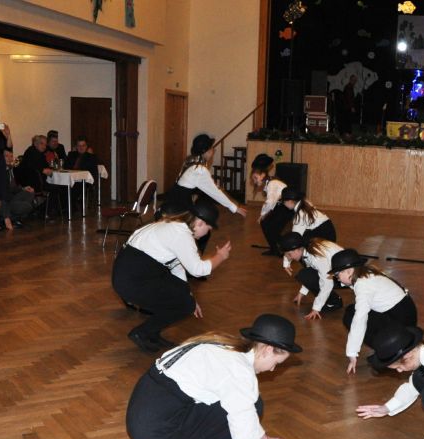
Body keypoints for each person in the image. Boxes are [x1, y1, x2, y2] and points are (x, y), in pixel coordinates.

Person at [126, 313, 314, 439]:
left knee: (250, 403)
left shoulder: (222, 345)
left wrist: (259, 433)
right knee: (251, 407)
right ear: (267, 350)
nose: (273, 369)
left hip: (144, 420)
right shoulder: (238, 372)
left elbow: (236, 401)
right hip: (157, 436)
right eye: (277, 363)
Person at [112, 199, 232, 352]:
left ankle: (152, 333)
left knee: (184, 299)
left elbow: (177, 266)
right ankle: (141, 333)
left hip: (132, 273)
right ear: (200, 222)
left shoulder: (174, 226)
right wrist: (220, 257)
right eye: (208, 228)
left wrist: (188, 294)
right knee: (184, 305)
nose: (207, 233)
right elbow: (198, 270)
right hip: (132, 280)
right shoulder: (181, 235)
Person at [329, 248, 417, 375]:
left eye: (337, 275)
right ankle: (389, 347)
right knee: (351, 311)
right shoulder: (367, 273)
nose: (337, 278)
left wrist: (352, 352)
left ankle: (390, 352)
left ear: (349, 271)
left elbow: (360, 319)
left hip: (401, 320)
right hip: (404, 312)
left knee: (351, 317)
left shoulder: (363, 285)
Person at [161, 133, 247, 252]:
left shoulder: (191, 163)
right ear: (205, 151)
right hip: (177, 210)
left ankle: (191, 256)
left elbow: (209, 188)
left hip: (173, 206)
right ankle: (193, 258)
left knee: (199, 232)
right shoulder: (199, 170)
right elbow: (215, 193)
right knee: (203, 231)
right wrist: (235, 208)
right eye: (212, 148)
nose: (213, 150)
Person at [278, 232, 344, 319]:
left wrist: (316, 308)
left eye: (290, 255)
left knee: (305, 275)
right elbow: (312, 272)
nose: (290, 258)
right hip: (335, 273)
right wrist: (302, 292)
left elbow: (327, 283)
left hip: (345, 277)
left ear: (297, 250)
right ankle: (328, 300)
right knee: (305, 274)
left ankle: (334, 302)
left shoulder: (316, 257)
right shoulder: (307, 249)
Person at [280, 187, 336, 273]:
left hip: (325, 237)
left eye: (283, 202)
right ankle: (314, 267)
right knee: (304, 239)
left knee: (300, 246)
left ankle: (313, 270)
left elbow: (293, 241)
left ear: (290, 201)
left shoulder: (300, 215)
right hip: (328, 232)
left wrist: (286, 262)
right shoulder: (305, 203)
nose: (283, 205)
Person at [250, 153, 291, 256]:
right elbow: (272, 202)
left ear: (263, 175)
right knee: (267, 224)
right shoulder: (270, 183)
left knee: (269, 225)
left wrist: (262, 215)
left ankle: (284, 249)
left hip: (288, 208)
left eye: (255, 178)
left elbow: (270, 202)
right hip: (283, 207)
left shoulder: (272, 184)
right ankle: (276, 249)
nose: (254, 181)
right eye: (253, 179)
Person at [3, 149, 38, 226]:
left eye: (11, 156)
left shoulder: (11, 169)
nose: (9, 158)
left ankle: (16, 217)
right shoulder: (1, 171)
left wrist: (23, 188)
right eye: (6, 156)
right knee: (27, 206)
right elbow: (5, 191)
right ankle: (13, 217)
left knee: (30, 192)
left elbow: (14, 187)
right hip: (5, 201)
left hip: (12, 197)